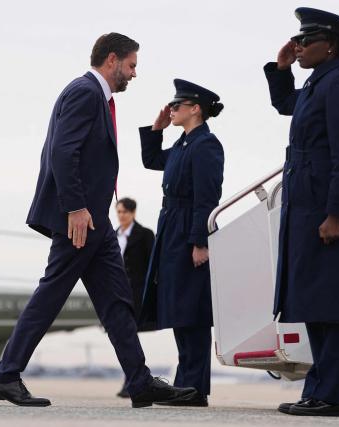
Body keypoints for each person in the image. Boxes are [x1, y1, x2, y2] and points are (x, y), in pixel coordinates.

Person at [0, 33, 196, 408]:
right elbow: (63, 152)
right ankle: (5, 374)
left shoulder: (97, 97)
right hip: (80, 220)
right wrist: (76, 208)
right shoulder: (85, 92)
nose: (133, 74)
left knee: (117, 302)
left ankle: (140, 381)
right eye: (131, 65)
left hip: (94, 221)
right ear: (112, 60)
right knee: (51, 295)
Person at [264, 7, 339, 417]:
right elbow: (286, 104)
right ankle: (317, 391)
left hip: (326, 210)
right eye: (297, 40)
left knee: (333, 307)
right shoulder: (317, 83)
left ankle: (329, 396)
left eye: (306, 41)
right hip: (307, 208)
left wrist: (336, 213)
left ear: (331, 45)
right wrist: (281, 67)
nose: (299, 46)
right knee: (315, 302)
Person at [138, 79, 225, 407]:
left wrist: (200, 241)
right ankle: (186, 385)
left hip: (189, 228)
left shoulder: (206, 145)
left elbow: (208, 196)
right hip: (172, 230)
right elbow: (151, 161)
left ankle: (194, 389)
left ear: (195, 109)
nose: (171, 110)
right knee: (179, 309)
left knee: (193, 312)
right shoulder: (184, 144)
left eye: (177, 106)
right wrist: (156, 129)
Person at [114, 197, 155, 398]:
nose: (121, 216)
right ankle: (133, 381)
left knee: (129, 336)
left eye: (125, 212)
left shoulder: (145, 235)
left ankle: (133, 381)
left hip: (137, 295)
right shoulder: (112, 236)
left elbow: (153, 265)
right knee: (123, 336)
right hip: (116, 294)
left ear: (133, 212)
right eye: (119, 212)